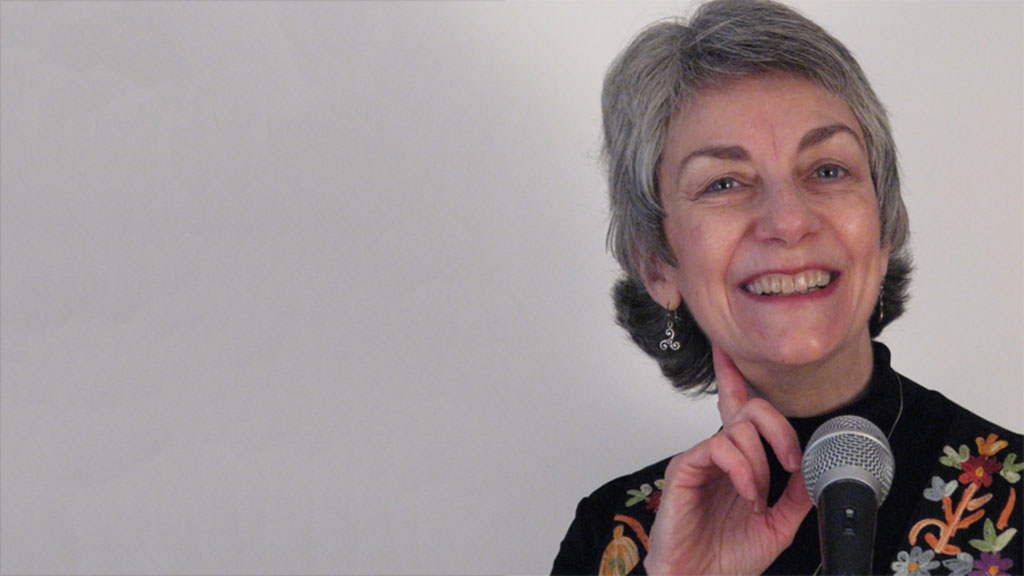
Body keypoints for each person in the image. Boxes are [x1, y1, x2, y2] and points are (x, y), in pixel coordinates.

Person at [551, 1, 1023, 574]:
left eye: (827, 170)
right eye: (723, 183)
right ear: (656, 266)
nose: (789, 221)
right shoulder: (613, 541)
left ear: (883, 229)